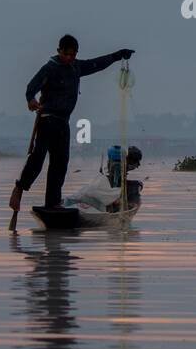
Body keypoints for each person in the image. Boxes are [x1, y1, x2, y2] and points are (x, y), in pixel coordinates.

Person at [8, 35, 134, 223]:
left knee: (60, 163)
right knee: (37, 159)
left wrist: (118, 56)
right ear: (59, 51)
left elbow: (96, 64)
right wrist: (31, 100)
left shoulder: (76, 67)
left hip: (63, 123)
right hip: (47, 120)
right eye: (67, 54)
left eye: (73, 55)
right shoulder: (49, 68)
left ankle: (52, 202)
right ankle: (19, 188)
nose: (70, 58)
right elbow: (31, 87)